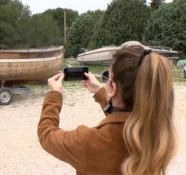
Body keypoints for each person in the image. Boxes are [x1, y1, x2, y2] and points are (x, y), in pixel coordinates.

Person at [38, 42, 177, 175]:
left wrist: (54, 94)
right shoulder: (157, 135)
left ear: (113, 88)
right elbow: (124, 117)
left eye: (108, 79)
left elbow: (46, 133)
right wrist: (100, 92)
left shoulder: (89, 142)